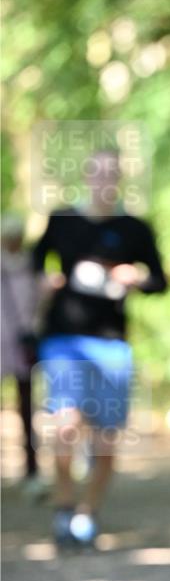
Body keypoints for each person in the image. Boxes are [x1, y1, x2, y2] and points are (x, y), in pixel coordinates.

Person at [32, 149, 168, 546]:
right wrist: (44, 283)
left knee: (105, 438)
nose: (104, 181)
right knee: (66, 424)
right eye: (98, 174)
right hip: (63, 340)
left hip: (111, 345)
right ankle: (62, 507)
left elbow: (160, 280)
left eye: (112, 174)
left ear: (119, 180)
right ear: (87, 177)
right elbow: (35, 263)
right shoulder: (62, 220)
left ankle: (87, 514)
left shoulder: (134, 229)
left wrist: (136, 277)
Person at [1, 213, 45, 498]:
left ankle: (32, 472)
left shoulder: (32, 265)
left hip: (23, 344)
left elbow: (39, 302)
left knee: (27, 408)